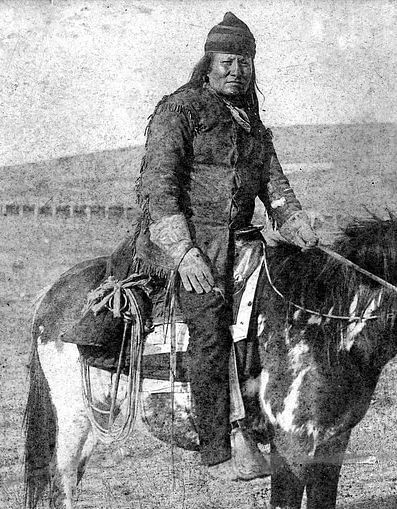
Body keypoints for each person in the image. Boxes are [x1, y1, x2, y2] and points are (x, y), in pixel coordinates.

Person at [128, 12, 319, 480]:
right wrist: (184, 250)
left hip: (241, 242)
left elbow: (275, 189)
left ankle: (272, 420)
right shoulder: (180, 110)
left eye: (245, 61)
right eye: (227, 60)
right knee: (211, 326)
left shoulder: (253, 126)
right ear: (208, 63)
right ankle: (221, 442)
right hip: (188, 244)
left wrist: (297, 224)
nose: (237, 70)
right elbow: (158, 187)